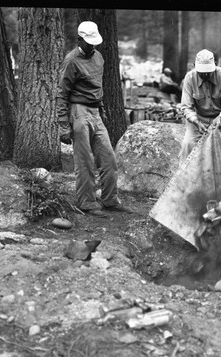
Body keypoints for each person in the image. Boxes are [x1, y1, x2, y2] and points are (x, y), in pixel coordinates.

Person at [56, 21, 131, 217]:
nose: (93, 46)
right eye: (89, 42)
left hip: (95, 112)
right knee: (85, 160)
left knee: (108, 158)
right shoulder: (71, 61)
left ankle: (110, 199)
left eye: (95, 42)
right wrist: (64, 125)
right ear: (79, 39)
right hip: (78, 111)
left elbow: (98, 86)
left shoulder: (99, 57)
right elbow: (62, 93)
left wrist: (102, 108)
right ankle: (86, 202)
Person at [179, 49, 221, 163]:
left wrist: (220, 117)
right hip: (199, 119)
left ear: (215, 65)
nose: (205, 75)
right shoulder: (189, 78)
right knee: (188, 144)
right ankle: (188, 179)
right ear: (194, 66)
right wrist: (196, 121)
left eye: (208, 72)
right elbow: (186, 107)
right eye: (202, 72)